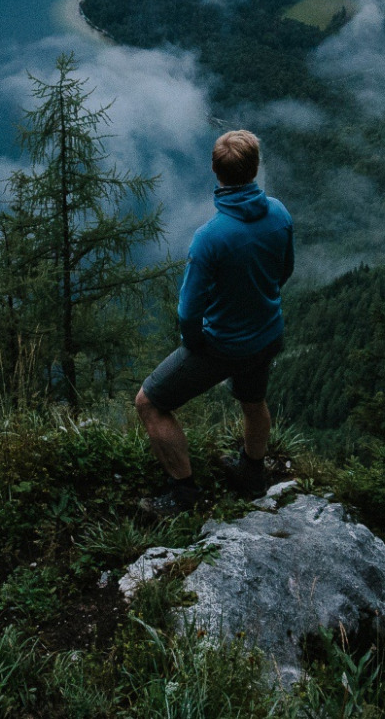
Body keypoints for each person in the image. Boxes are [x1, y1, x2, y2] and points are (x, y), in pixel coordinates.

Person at [135, 129, 294, 516]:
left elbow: (189, 312)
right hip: (268, 332)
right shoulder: (280, 214)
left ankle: (184, 493)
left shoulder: (210, 238)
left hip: (222, 345)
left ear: (214, 171)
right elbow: (283, 272)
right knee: (253, 401)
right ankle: (252, 474)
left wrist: (196, 343)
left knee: (150, 402)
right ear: (255, 168)